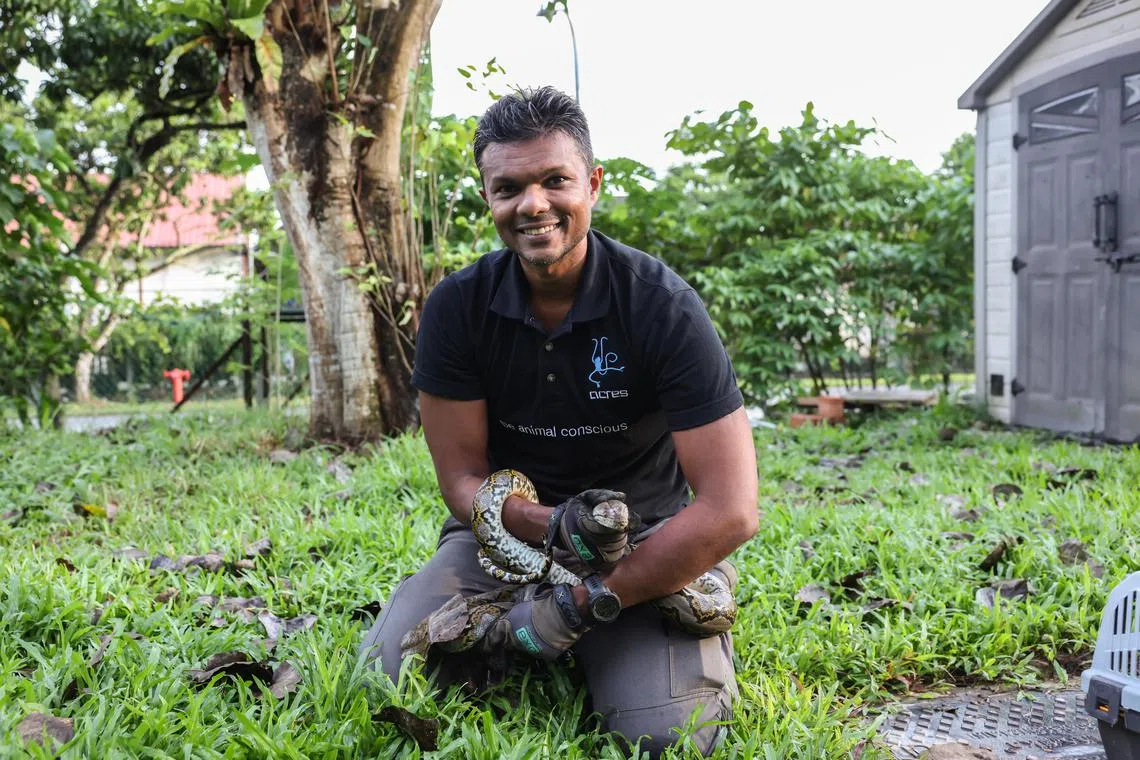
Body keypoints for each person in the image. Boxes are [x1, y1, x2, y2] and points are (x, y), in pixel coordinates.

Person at [359, 85, 759, 757]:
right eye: (509, 187)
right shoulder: (458, 308)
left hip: (642, 541)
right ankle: (519, 633)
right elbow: (461, 476)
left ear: (593, 184)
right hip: (501, 538)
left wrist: (578, 603)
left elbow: (731, 511)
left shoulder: (661, 305)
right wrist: (549, 525)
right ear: (487, 196)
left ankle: (603, 630)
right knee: (385, 681)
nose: (533, 204)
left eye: (555, 180)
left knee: (664, 737)